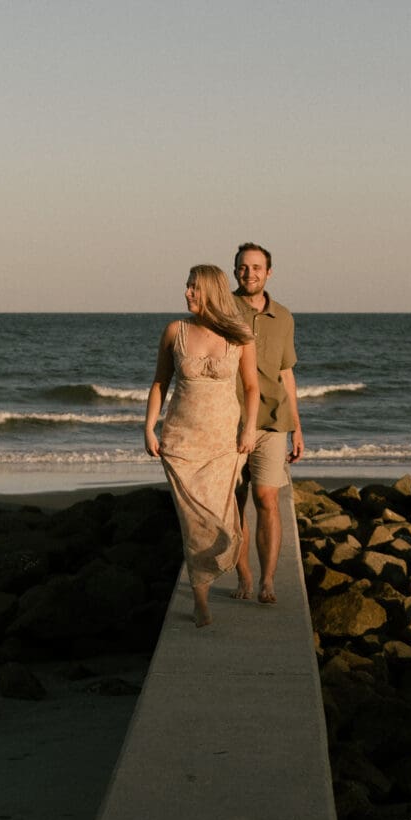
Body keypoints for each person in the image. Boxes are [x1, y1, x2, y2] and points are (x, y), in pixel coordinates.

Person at [144, 264, 259, 628]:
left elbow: (253, 388)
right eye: (187, 286)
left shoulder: (240, 337)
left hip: (225, 440)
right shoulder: (174, 331)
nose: (187, 293)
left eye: (194, 287)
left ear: (211, 291)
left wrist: (249, 428)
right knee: (193, 522)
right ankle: (200, 599)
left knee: (224, 517)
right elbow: (160, 383)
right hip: (181, 440)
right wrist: (149, 427)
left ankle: (238, 569)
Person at [231, 242, 304, 604]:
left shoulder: (285, 317)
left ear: (269, 272)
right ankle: (244, 573)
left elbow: (286, 372)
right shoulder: (223, 310)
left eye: (257, 267)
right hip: (230, 421)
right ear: (235, 271)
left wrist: (297, 426)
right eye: (244, 267)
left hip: (273, 420)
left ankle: (268, 580)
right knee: (234, 501)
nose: (250, 273)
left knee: (266, 498)